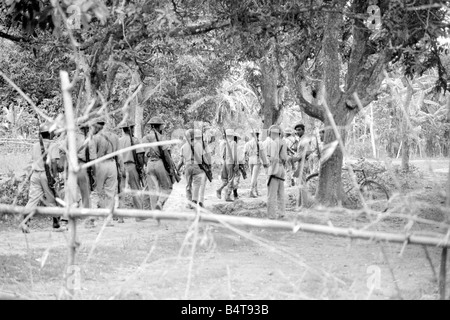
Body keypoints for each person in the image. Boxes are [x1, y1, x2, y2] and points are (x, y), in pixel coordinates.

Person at [22, 122, 63, 233]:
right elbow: (54, 162)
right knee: (52, 199)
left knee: (32, 199)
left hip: (35, 175)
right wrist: (55, 176)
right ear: (50, 133)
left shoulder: (35, 145)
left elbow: (32, 161)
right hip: (46, 175)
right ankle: (56, 224)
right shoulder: (53, 145)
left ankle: (25, 223)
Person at [88, 116, 125, 227]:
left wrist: (94, 173)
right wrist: (120, 169)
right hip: (112, 164)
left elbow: (93, 158)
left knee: (99, 193)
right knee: (110, 193)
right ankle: (108, 220)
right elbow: (119, 155)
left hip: (100, 165)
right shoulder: (114, 136)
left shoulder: (94, 138)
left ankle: (97, 217)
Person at [141, 116, 177, 210]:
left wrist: (145, 166)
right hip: (159, 163)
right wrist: (171, 166)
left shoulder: (144, 138)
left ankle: (154, 212)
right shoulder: (161, 138)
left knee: (152, 190)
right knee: (167, 187)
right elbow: (166, 154)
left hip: (149, 164)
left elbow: (143, 154)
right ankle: (160, 203)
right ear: (159, 126)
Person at [118, 120, 145, 219]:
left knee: (121, 192)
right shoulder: (135, 140)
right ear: (131, 129)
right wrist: (141, 167)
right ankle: (139, 215)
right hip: (132, 166)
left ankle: (120, 216)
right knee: (136, 190)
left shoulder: (119, 141)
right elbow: (140, 156)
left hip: (121, 167)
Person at [266, 125, 287, 219]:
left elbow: (271, 158)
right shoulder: (283, 142)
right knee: (281, 192)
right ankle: (281, 213)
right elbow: (284, 157)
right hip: (282, 167)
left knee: (271, 193)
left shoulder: (271, 142)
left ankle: (271, 215)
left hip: (274, 168)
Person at [244, 129, 268, 198]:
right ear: (258, 134)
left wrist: (245, 161)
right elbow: (262, 154)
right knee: (254, 176)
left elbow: (245, 153)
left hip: (250, 160)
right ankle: (251, 191)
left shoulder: (247, 143)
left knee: (253, 176)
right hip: (256, 160)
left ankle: (256, 191)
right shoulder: (259, 143)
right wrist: (265, 163)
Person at [216, 129, 237, 202]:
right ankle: (227, 196)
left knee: (225, 180)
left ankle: (219, 190)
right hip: (230, 163)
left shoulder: (224, 143)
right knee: (230, 180)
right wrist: (236, 164)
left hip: (225, 162)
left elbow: (223, 155)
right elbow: (234, 155)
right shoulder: (233, 143)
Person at [232, 132, 245, 200]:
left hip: (229, 164)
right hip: (236, 164)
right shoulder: (237, 147)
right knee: (236, 178)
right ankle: (235, 193)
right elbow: (239, 158)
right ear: (236, 139)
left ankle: (228, 194)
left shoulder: (228, 146)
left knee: (230, 178)